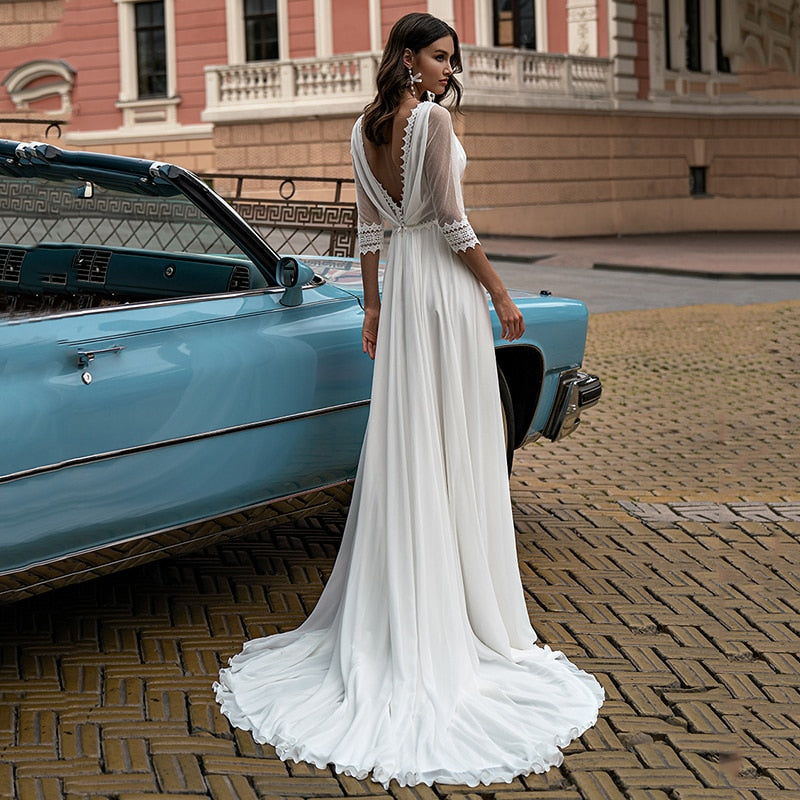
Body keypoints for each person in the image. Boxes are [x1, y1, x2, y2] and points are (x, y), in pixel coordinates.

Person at [214, 12, 603, 787]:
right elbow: (454, 226)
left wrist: (371, 307)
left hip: (402, 294)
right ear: (408, 58)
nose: (448, 68)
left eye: (451, 58)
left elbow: (368, 231)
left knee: (412, 436)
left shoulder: (363, 128)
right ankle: (451, 605)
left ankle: (415, 591)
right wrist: (499, 295)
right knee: (450, 435)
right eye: (439, 55)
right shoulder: (425, 119)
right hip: (445, 294)